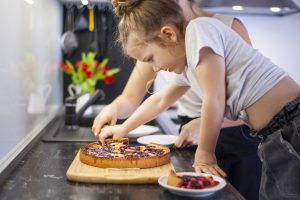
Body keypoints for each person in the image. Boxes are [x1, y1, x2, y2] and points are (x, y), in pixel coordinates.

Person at [95, 0, 300, 199]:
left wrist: (205, 153)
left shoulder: (199, 31)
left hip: (292, 121)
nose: (154, 68)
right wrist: (123, 129)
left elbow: (215, 98)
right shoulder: (189, 62)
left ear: (169, 34)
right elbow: (160, 101)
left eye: (150, 58)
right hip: (274, 131)